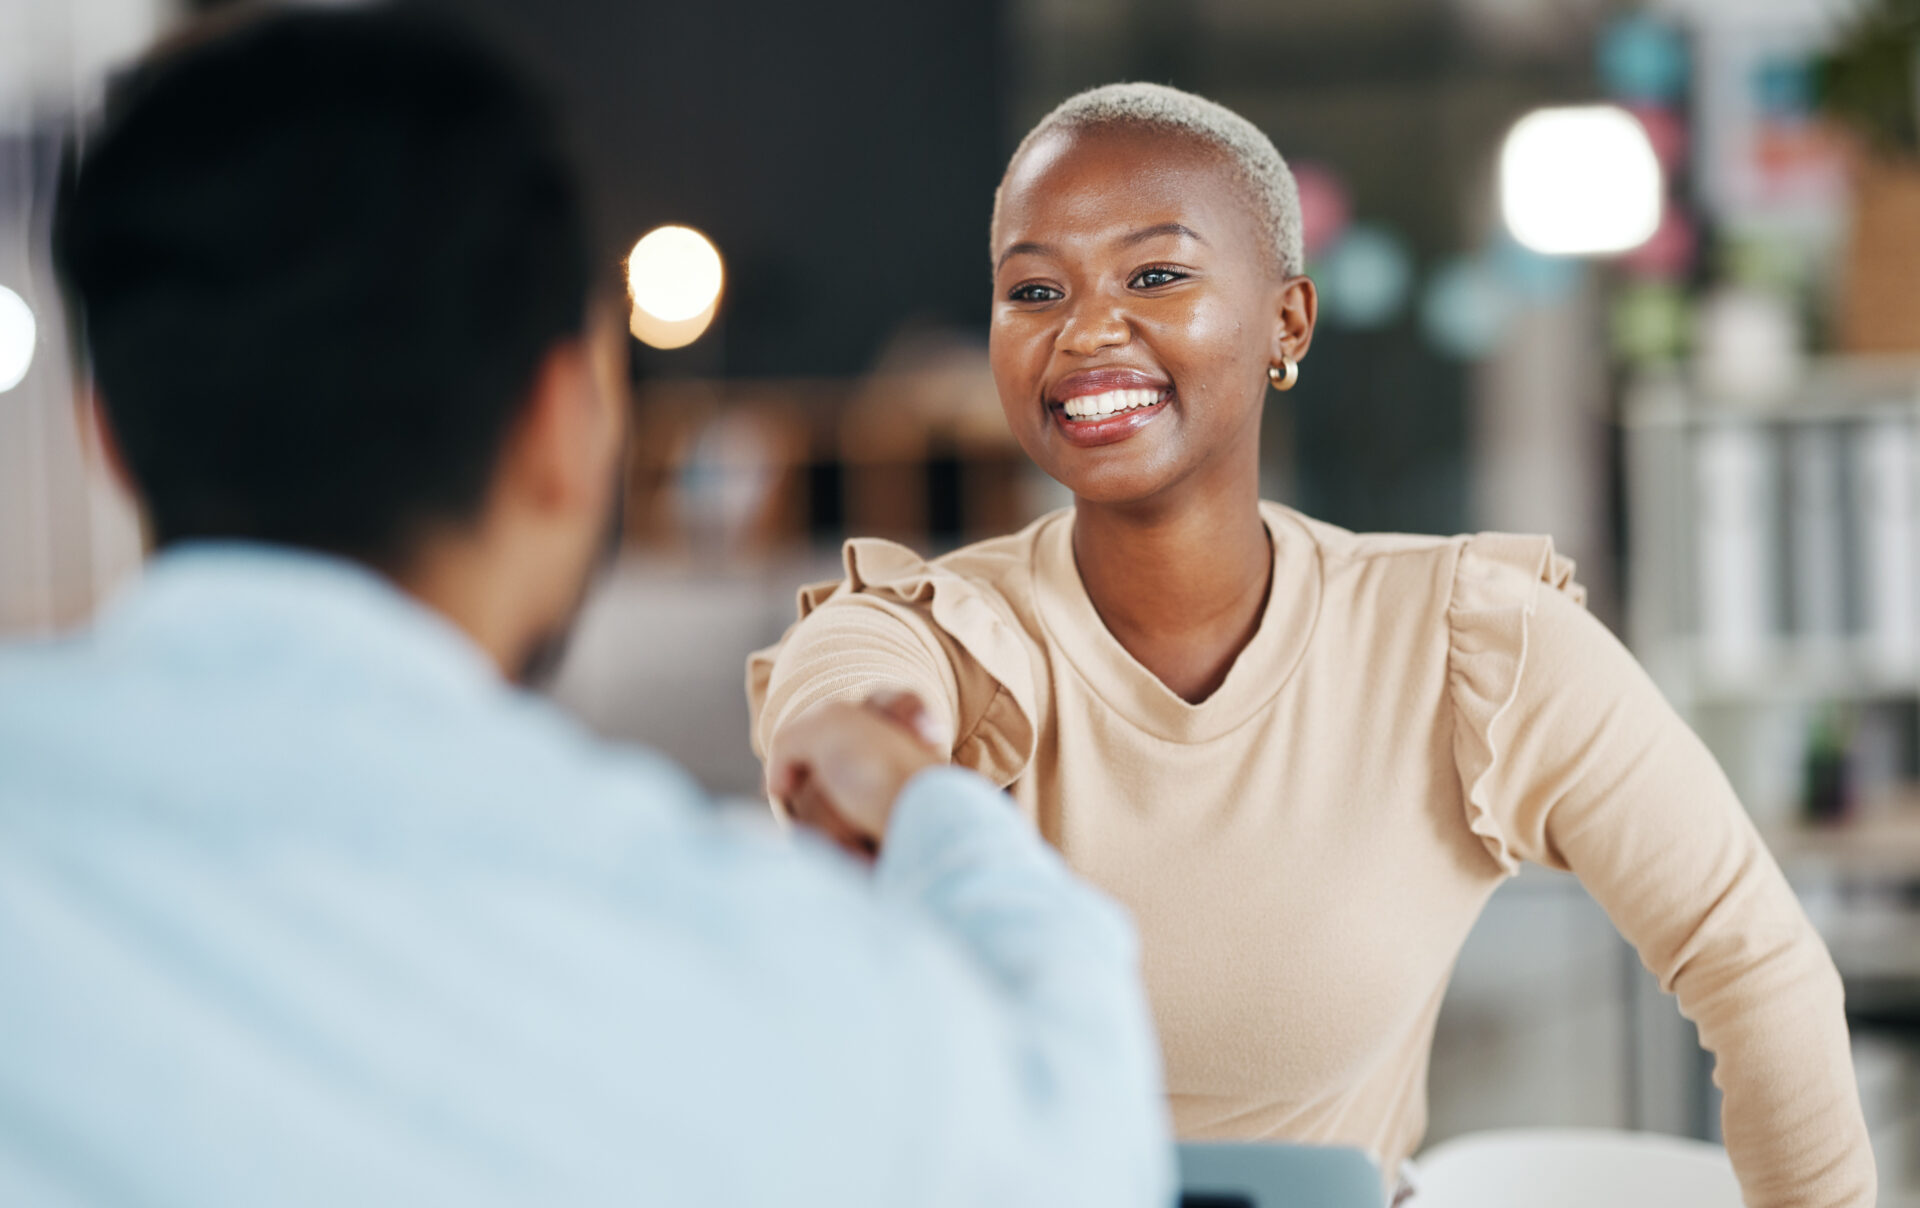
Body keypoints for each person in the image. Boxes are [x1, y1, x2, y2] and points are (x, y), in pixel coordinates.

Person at [0, 12, 1173, 1205]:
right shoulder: (744, 972)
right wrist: (928, 803)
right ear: (564, 422)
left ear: (108, 437)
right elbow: (1078, 1142)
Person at [750, 82, 1877, 1206]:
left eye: (1156, 274)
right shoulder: (953, 632)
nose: (1085, 328)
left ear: (1287, 319)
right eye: (1034, 289)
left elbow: (1754, 961)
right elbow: (848, 681)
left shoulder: (1462, 643)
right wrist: (865, 750)